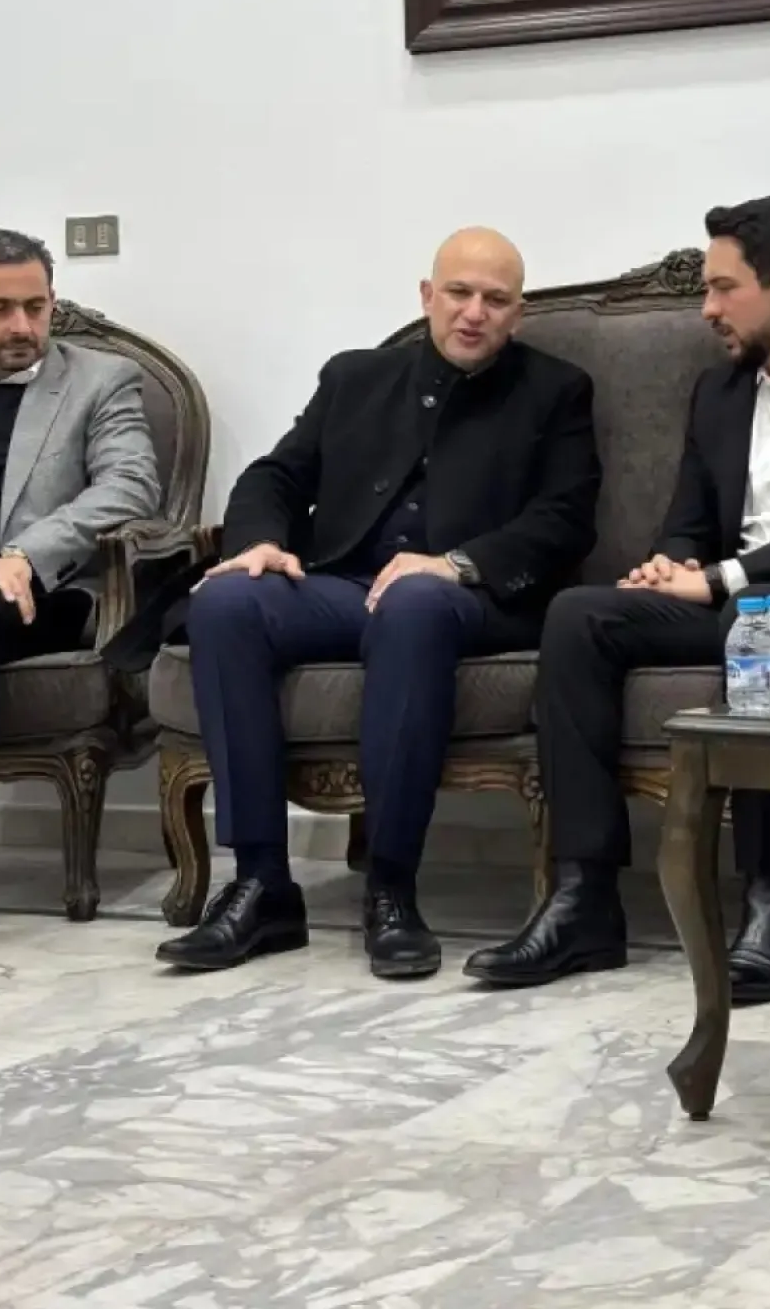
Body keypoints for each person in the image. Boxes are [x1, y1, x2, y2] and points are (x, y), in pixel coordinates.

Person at [465, 195, 770, 1000]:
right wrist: (668, 565)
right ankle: (583, 899)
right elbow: (690, 520)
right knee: (580, 616)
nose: (708, 309)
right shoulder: (718, 394)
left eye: (725, 288)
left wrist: (724, 578)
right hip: (733, 605)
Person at [156, 229, 601, 980]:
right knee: (226, 602)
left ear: (518, 313)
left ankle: (391, 888)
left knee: (414, 603)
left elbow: (565, 518)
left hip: (467, 595)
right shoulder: (356, 377)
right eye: (459, 293)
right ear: (427, 297)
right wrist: (261, 542)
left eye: (495, 300)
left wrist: (455, 564)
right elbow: (274, 476)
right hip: (344, 584)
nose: (474, 313)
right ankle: (262, 885)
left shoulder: (556, 391)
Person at [0, 228, 160, 968]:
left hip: (42, 594)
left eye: (36, 306)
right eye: (1, 309)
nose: (23, 325)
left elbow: (130, 486)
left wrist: (25, 556)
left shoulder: (102, 381)